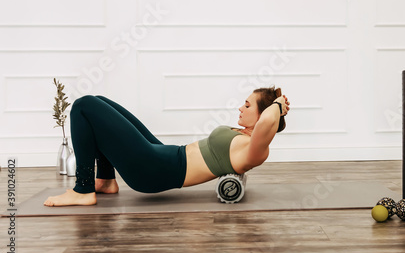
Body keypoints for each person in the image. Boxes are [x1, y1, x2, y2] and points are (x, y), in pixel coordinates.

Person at [44, 86, 290, 206]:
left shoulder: (254, 149)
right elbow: (265, 120)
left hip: (154, 169)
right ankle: (106, 180)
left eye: (247, 106)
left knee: (83, 105)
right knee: (98, 101)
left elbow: (268, 122)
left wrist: (277, 105)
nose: (240, 108)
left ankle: (83, 189)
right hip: (164, 155)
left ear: (261, 116)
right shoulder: (243, 136)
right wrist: (274, 105)